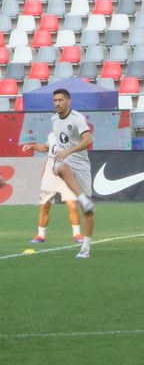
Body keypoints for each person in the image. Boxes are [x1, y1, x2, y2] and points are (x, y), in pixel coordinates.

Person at [40, 89, 97, 259]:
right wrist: (62, 153)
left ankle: (86, 248)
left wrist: (69, 151)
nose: (57, 103)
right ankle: (83, 199)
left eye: (60, 100)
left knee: (88, 212)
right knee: (59, 168)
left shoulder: (77, 118)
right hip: (65, 160)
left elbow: (88, 140)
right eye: (55, 100)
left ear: (69, 101)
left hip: (81, 163)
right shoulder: (54, 118)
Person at [23, 134, 83, 244]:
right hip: (50, 176)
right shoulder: (51, 135)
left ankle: (77, 234)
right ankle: (40, 235)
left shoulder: (72, 135)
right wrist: (33, 146)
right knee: (44, 206)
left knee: (72, 205)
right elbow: (46, 147)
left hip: (66, 175)